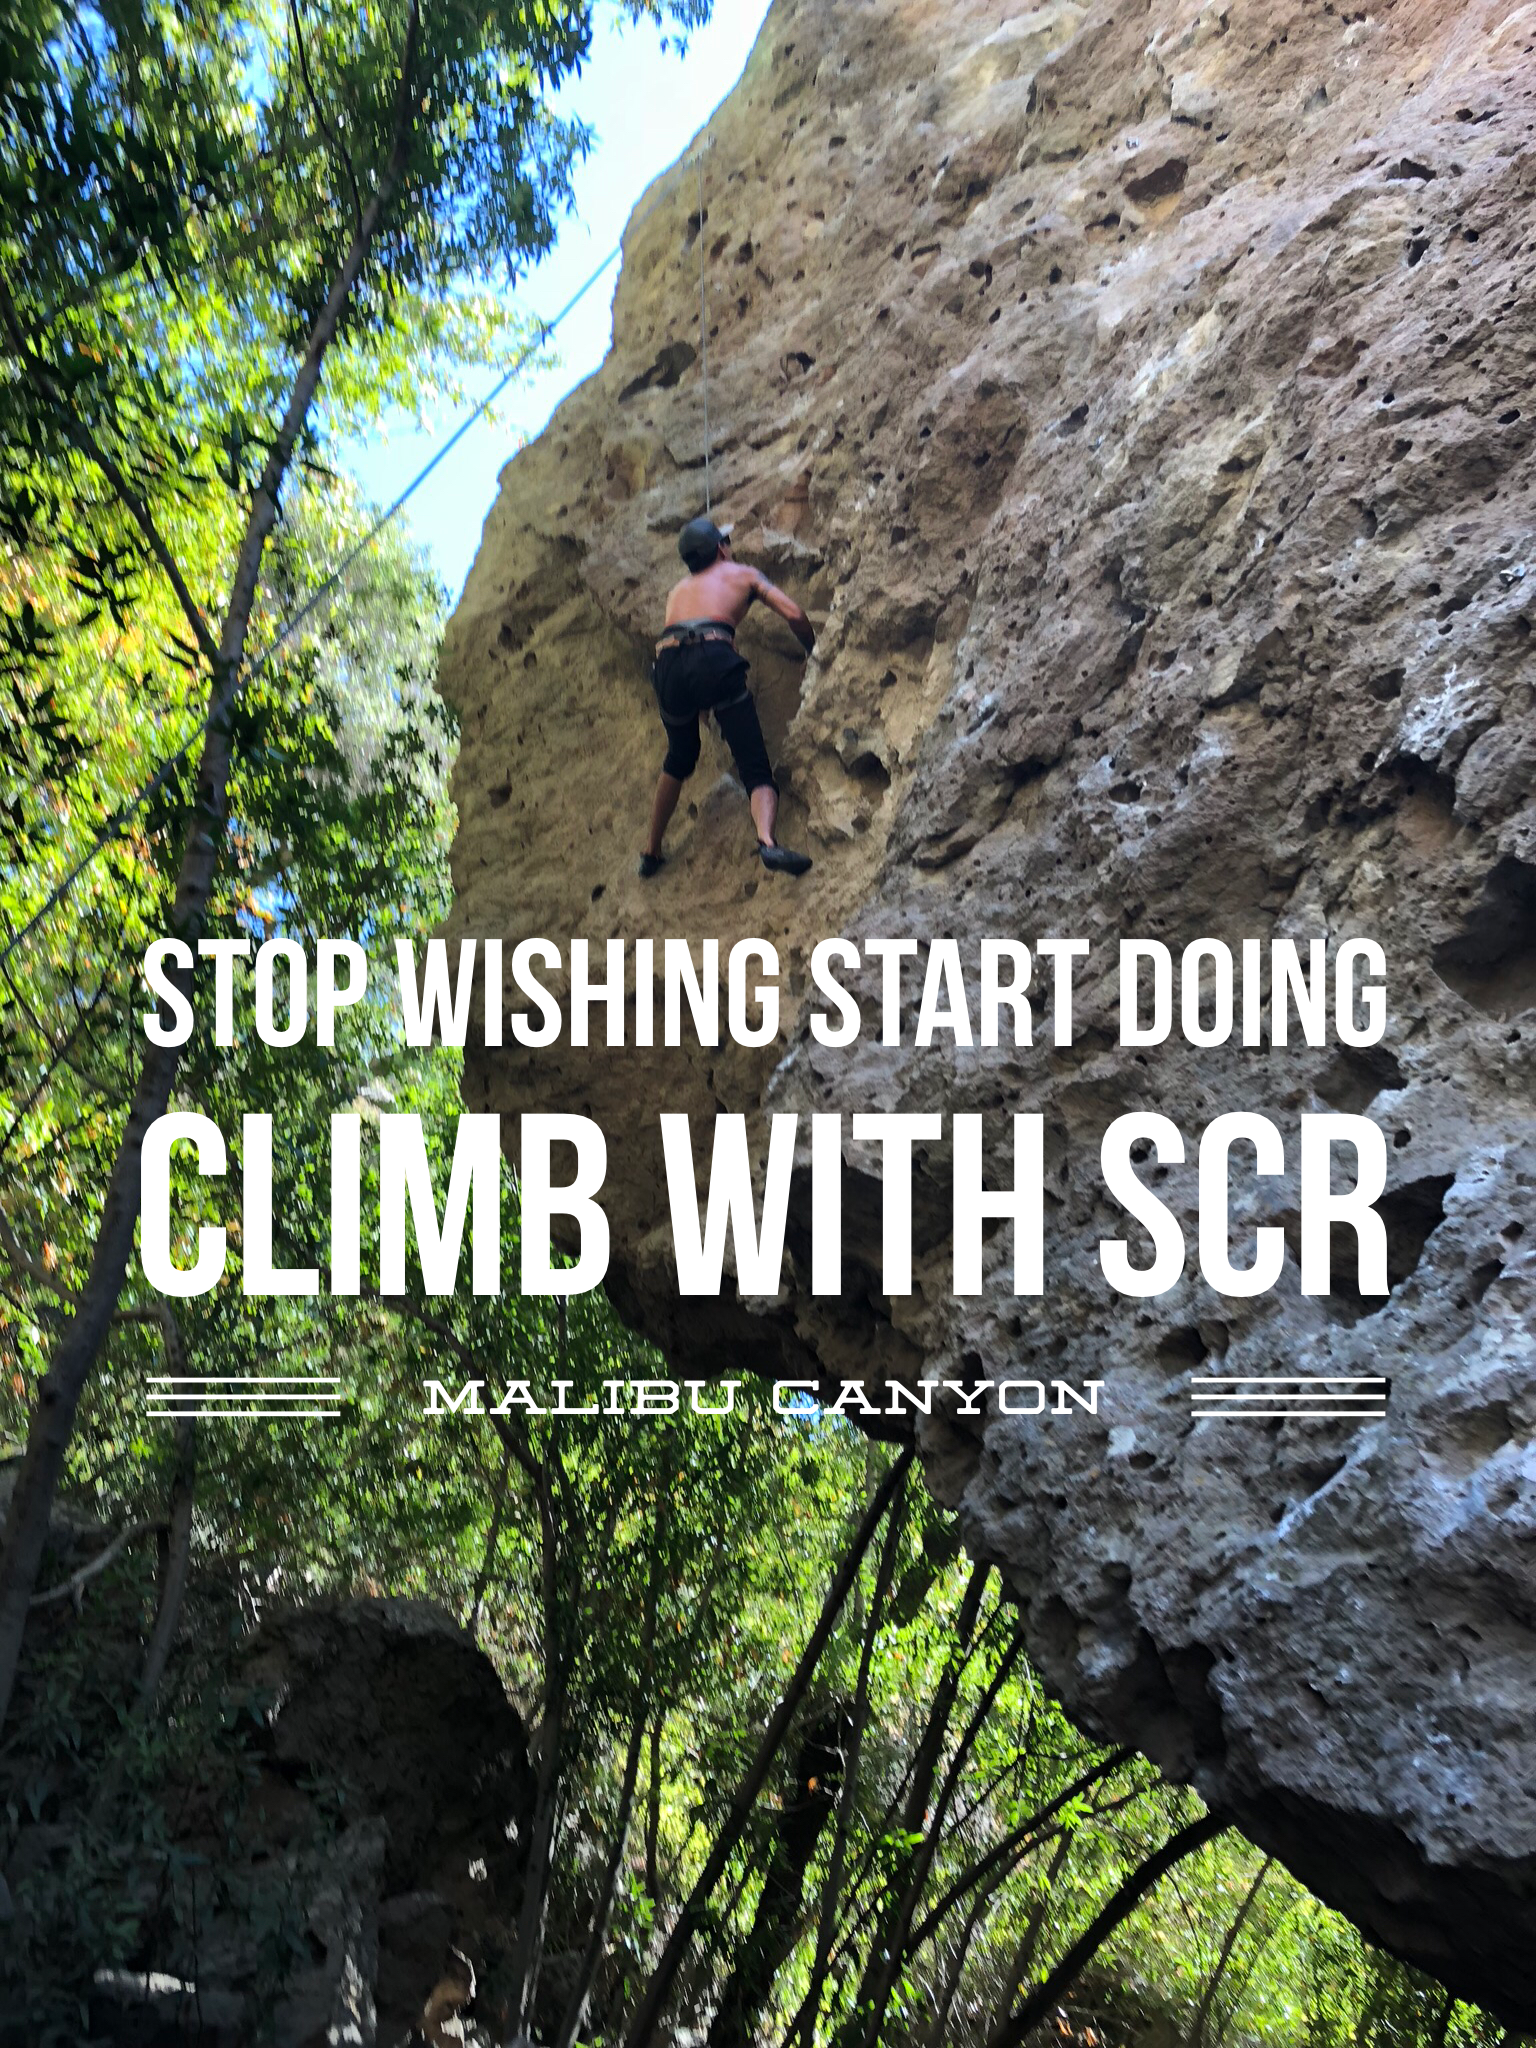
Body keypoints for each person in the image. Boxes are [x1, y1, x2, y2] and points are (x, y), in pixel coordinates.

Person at [639, 516, 816, 878]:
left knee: (679, 757)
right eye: (727, 543)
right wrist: (814, 650)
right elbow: (795, 614)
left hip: (667, 665)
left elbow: (686, 646)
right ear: (721, 549)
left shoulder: (677, 591)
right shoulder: (742, 573)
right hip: (712, 656)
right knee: (754, 764)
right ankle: (767, 842)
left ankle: (651, 851)